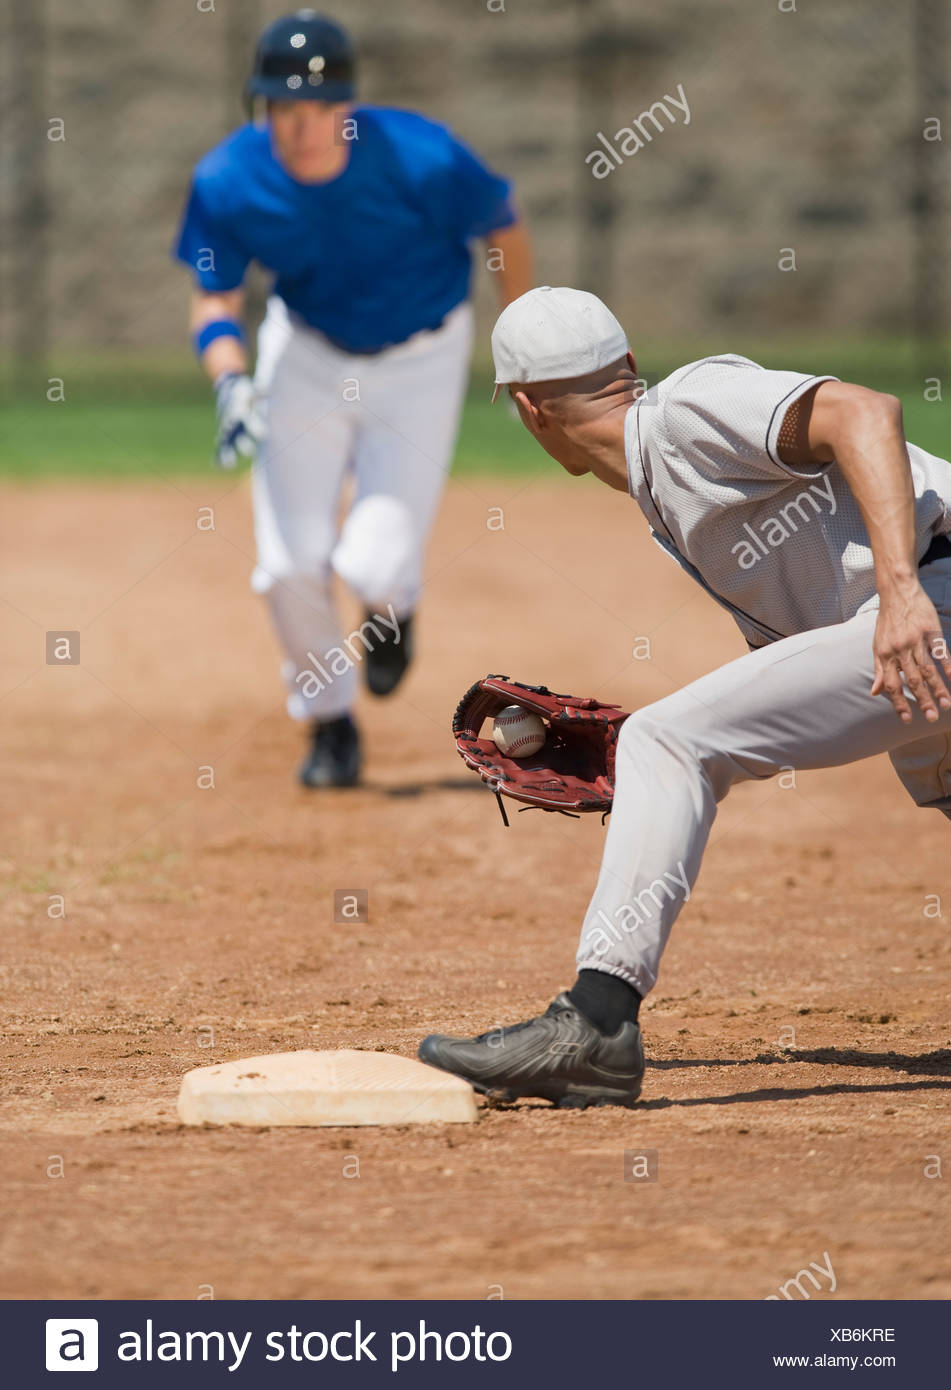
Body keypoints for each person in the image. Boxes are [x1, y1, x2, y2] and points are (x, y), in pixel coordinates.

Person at [418, 284, 951, 1109]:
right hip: (918, 622)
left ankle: (595, 1024)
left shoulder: (682, 410)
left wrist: (899, 593)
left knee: (666, 741)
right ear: (623, 365)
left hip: (929, 601)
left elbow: (864, 412)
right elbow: (781, 688)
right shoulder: (668, 487)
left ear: (528, 409)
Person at [173, 11, 532, 787]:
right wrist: (231, 382)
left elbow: (501, 224)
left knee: (373, 561)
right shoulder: (229, 180)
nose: (301, 127)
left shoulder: (421, 157)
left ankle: (392, 608)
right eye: (282, 108)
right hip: (304, 354)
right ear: (259, 106)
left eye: (319, 108)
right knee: (286, 564)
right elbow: (215, 299)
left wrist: (521, 334)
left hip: (422, 358)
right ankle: (329, 725)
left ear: (348, 106)